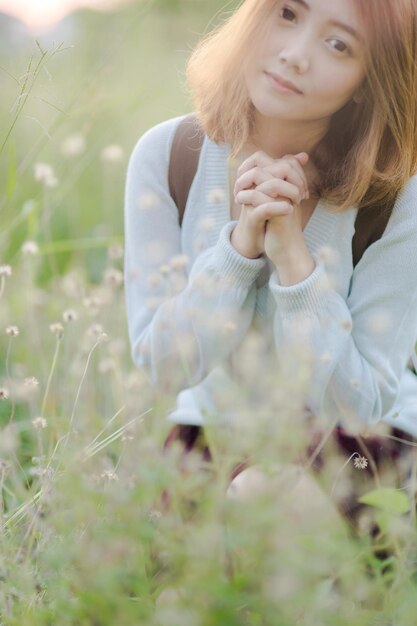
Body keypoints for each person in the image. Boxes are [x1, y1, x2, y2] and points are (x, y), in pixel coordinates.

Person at [124, 0, 417, 516]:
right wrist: (238, 252)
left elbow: (359, 407)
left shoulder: (395, 198)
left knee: (268, 499)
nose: (295, 55)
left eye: (339, 44)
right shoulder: (170, 156)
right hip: (213, 432)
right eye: (287, 14)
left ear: (368, 81)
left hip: (360, 448)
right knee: (178, 593)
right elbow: (163, 368)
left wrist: (294, 263)